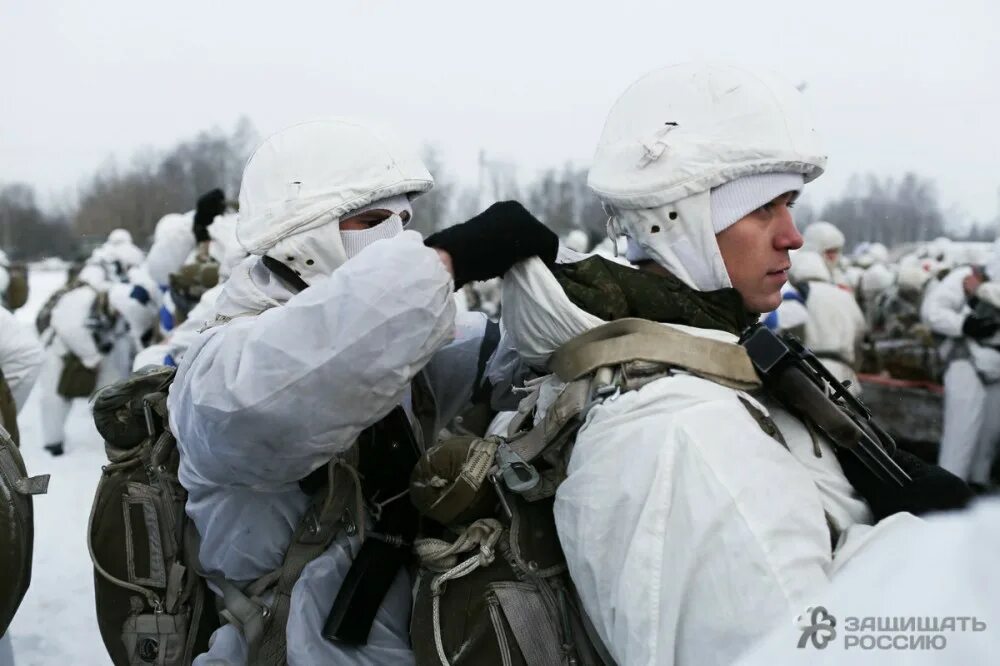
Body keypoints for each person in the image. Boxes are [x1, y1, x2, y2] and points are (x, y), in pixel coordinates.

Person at [492, 62, 968, 666]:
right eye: (764, 208)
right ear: (680, 221)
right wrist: (940, 552)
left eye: (791, 205)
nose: (792, 236)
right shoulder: (682, 431)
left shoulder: (705, 370)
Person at [167, 117, 557, 664]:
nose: (400, 240)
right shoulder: (221, 366)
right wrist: (446, 260)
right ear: (301, 235)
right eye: (374, 221)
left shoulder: (388, 330)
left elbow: (509, 357)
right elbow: (279, 399)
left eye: (407, 222)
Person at [37, 278, 158, 455]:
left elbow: (127, 333)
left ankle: (116, 432)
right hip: (59, 352)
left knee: (111, 390)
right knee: (55, 398)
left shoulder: (118, 311)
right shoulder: (82, 298)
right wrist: (92, 357)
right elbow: (69, 329)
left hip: (97, 353)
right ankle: (53, 443)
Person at [921, 245, 1000, 484]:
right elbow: (932, 312)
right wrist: (964, 324)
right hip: (966, 360)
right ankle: (948, 492)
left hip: (995, 365)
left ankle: (976, 490)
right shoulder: (965, 276)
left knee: (988, 436)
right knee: (961, 435)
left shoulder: (982, 282)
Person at [787, 250, 866, 393]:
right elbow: (859, 337)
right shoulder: (845, 295)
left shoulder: (796, 295)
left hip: (808, 374)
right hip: (845, 377)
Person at [803, 221, 848, 287]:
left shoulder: (838, 274)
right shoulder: (806, 276)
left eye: (835, 251)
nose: (833, 255)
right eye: (829, 251)